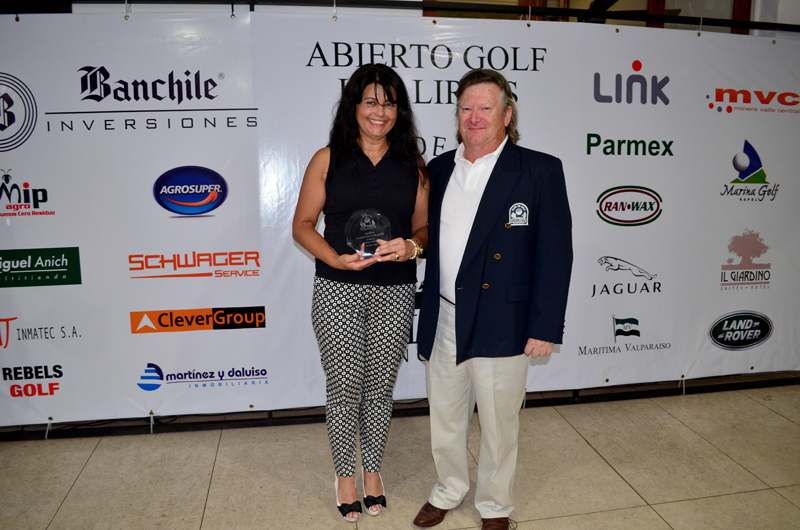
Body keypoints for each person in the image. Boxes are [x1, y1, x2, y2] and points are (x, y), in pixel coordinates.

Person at [412, 69, 572, 530]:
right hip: (445, 314)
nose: (474, 117)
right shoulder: (439, 169)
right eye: (466, 108)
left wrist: (544, 326)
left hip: (505, 318)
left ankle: (495, 504)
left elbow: (555, 254)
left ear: (506, 115)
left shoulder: (540, 170)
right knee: (445, 415)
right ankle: (448, 488)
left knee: (500, 424)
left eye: (485, 108)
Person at [292, 63, 429, 523]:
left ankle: (373, 471)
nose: (380, 112)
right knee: (344, 384)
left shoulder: (413, 166)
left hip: (395, 291)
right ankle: (345, 477)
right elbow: (302, 225)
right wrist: (333, 259)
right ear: (354, 106)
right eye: (371, 101)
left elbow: (424, 229)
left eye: (389, 103)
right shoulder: (327, 159)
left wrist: (411, 247)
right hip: (337, 289)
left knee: (380, 386)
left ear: (399, 111)